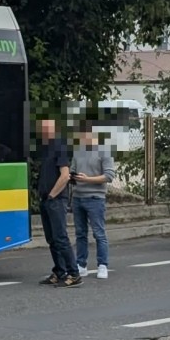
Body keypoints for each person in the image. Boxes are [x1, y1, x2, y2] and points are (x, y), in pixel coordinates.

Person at [36, 116, 81, 287]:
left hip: (55, 200)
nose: (43, 131)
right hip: (46, 199)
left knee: (61, 238)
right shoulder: (46, 149)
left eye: (47, 127)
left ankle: (74, 273)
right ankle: (59, 271)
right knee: (52, 239)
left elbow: (65, 175)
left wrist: (52, 195)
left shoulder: (59, 146)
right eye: (42, 127)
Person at [71, 119, 116, 279]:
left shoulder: (104, 151)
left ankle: (102, 265)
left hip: (95, 197)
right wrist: (72, 177)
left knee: (99, 233)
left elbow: (109, 176)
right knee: (80, 233)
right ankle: (81, 264)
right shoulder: (78, 151)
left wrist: (87, 179)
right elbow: (73, 169)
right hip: (78, 197)